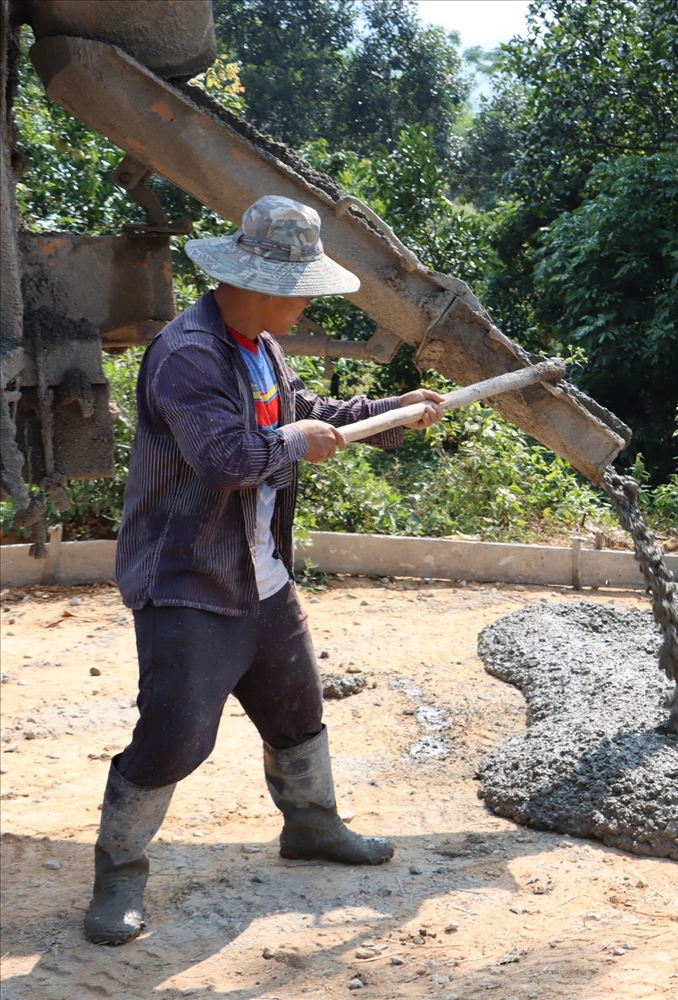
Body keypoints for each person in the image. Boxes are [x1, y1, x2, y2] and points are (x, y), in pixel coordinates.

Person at [88, 195, 445, 945]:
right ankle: (120, 868)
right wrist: (297, 440)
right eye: (301, 291)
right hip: (189, 581)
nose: (308, 304)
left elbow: (299, 410)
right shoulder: (188, 354)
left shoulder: (258, 346)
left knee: (296, 711)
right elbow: (227, 459)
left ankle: (312, 825)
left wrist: (389, 413)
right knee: (177, 734)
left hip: (260, 575)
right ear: (257, 284)